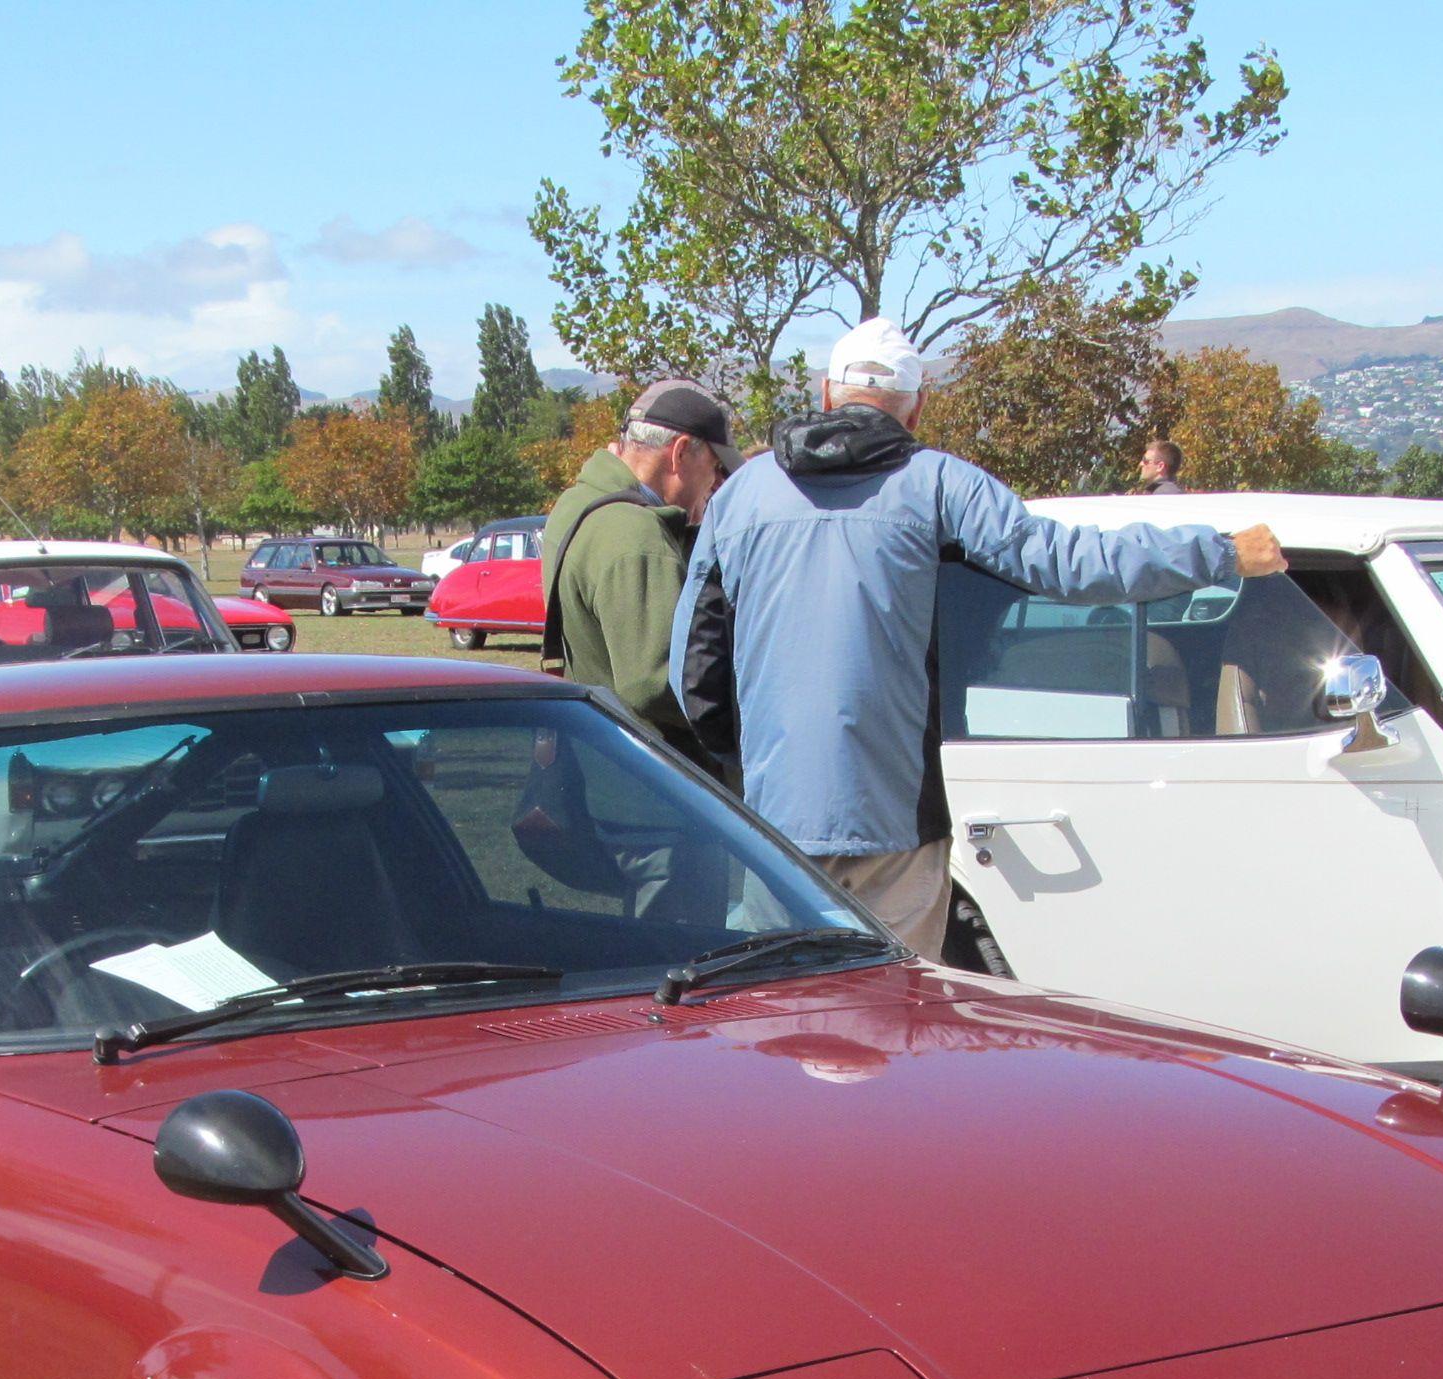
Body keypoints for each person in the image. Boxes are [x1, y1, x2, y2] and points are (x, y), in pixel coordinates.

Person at [673, 316, 1285, 956]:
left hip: (772, 824)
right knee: (886, 1024)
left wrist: (754, 766)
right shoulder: (941, 483)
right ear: (917, 408)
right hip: (896, 821)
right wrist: (1218, 552)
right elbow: (1068, 562)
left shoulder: (739, 496)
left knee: (778, 1025)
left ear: (827, 393)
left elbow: (692, 672)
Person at [541, 378, 738, 775]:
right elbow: (660, 684)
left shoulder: (578, 503)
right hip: (649, 792)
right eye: (716, 467)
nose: (718, 483)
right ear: (681, 453)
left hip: (601, 764)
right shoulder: (636, 534)